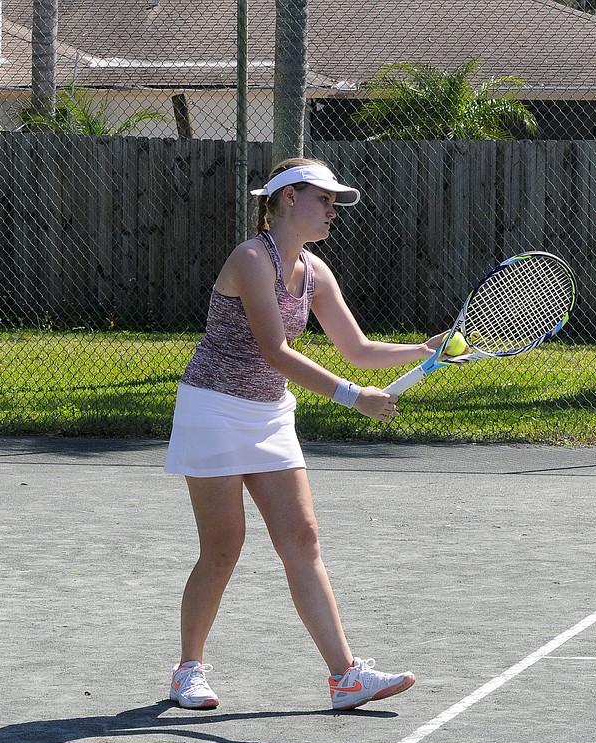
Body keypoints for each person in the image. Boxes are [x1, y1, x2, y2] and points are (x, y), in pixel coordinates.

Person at [164, 157, 446, 711]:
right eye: (324, 199)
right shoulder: (250, 259)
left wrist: (425, 348)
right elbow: (275, 349)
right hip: (213, 410)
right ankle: (187, 670)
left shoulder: (315, 271)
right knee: (223, 548)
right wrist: (352, 397)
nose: (332, 210)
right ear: (288, 198)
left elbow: (358, 349)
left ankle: (345, 677)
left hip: (269, 415)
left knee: (304, 540)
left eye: (335, 202)